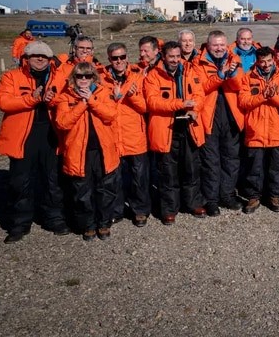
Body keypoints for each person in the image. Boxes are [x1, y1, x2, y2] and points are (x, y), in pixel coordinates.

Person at [0, 41, 69, 243]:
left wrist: (51, 99)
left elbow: (65, 99)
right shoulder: (11, 77)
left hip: (50, 134)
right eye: (35, 55)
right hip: (23, 137)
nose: (40, 59)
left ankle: (54, 218)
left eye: (44, 56)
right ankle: (20, 223)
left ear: (49, 60)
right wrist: (31, 99)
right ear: (25, 58)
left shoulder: (58, 77)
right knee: (20, 181)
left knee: (52, 179)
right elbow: (3, 102)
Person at [55, 62, 120, 241]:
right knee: (82, 192)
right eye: (79, 76)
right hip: (78, 152)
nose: (83, 80)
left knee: (105, 190)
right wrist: (82, 104)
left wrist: (91, 100)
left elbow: (111, 115)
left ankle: (104, 223)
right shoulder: (65, 97)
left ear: (94, 77)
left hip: (102, 150)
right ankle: (88, 225)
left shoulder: (103, 93)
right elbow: (62, 123)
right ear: (73, 78)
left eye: (88, 76)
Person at [144, 41, 207, 224]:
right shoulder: (153, 76)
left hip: (189, 125)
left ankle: (193, 202)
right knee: (168, 171)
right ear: (163, 57)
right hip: (167, 128)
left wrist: (195, 109)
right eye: (171, 56)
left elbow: (199, 95)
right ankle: (169, 209)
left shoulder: (190, 70)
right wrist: (180, 104)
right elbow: (152, 102)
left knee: (192, 168)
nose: (175, 60)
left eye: (178, 56)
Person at [99, 42, 150, 227]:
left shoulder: (138, 77)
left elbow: (146, 107)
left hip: (134, 135)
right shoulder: (101, 79)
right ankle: (117, 210)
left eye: (122, 57)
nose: (119, 61)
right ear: (109, 59)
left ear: (127, 57)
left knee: (139, 177)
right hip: (112, 135)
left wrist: (132, 96)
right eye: (115, 58)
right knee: (114, 177)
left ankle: (140, 210)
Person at [195, 30, 245, 214]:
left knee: (231, 160)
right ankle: (211, 199)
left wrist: (231, 74)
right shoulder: (199, 62)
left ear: (227, 45)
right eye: (215, 45)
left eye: (222, 45)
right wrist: (220, 76)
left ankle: (227, 195)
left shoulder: (234, 60)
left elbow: (240, 85)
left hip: (230, 116)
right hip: (209, 117)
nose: (219, 48)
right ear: (208, 46)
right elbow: (201, 87)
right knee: (211, 162)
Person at [238, 47, 279, 213]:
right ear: (257, 62)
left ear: (273, 59)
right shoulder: (248, 77)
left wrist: (273, 96)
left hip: (276, 128)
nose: (266, 65)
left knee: (276, 167)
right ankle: (253, 197)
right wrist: (262, 97)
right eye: (262, 61)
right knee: (254, 167)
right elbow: (243, 102)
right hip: (255, 129)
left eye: (268, 61)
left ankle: (274, 196)